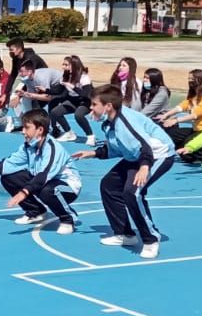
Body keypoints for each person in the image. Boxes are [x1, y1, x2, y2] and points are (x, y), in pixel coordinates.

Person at [72, 83, 176, 257]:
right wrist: (93, 153)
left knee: (133, 192)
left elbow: (145, 146)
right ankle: (125, 233)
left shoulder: (125, 122)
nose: (91, 108)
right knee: (109, 185)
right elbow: (119, 147)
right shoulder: (109, 122)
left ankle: (151, 239)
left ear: (108, 106)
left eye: (94, 104)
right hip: (137, 156)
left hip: (158, 155)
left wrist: (144, 168)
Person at [0, 110, 82, 233]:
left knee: (47, 190)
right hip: (44, 181)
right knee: (8, 177)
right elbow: (10, 163)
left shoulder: (52, 148)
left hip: (67, 186)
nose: (23, 131)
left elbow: (43, 176)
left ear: (40, 130)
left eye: (27, 128)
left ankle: (68, 219)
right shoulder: (29, 146)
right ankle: (36, 212)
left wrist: (23, 193)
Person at [158, 68, 202, 147]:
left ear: (200, 80)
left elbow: (196, 114)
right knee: (166, 129)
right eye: (189, 79)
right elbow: (182, 106)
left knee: (178, 139)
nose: (190, 81)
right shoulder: (194, 95)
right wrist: (166, 115)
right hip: (195, 128)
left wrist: (176, 120)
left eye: (192, 79)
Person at [46, 56, 95, 143]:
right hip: (73, 101)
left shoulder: (84, 78)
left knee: (78, 115)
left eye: (66, 65)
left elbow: (87, 94)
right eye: (63, 64)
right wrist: (46, 90)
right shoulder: (65, 76)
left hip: (86, 101)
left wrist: (73, 87)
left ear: (75, 66)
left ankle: (90, 136)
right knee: (55, 112)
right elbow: (58, 90)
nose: (63, 67)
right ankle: (69, 133)